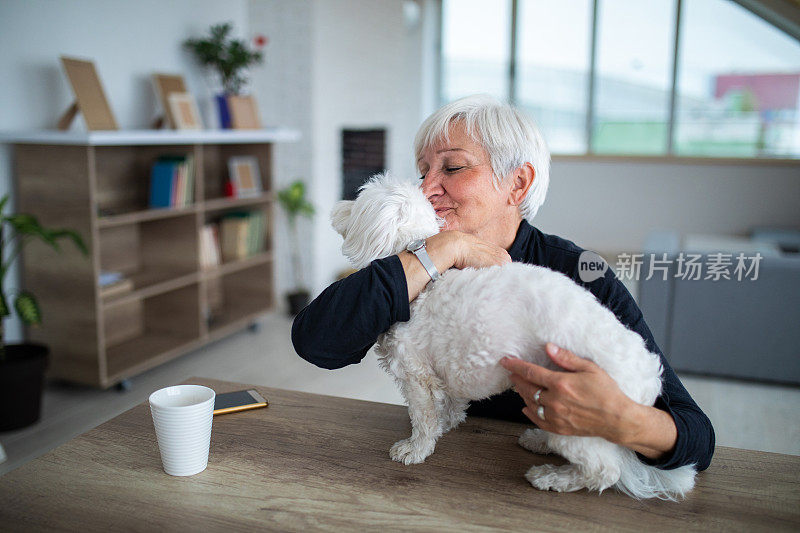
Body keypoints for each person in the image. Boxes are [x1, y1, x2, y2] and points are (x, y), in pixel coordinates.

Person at [292, 94, 714, 471]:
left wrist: (622, 418)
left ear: (517, 183)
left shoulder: (577, 272)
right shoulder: (418, 257)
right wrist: (443, 251)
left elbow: (696, 435)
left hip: (532, 471)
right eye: (422, 172)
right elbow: (317, 342)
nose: (426, 187)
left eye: (452, 167)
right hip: (444, 467)